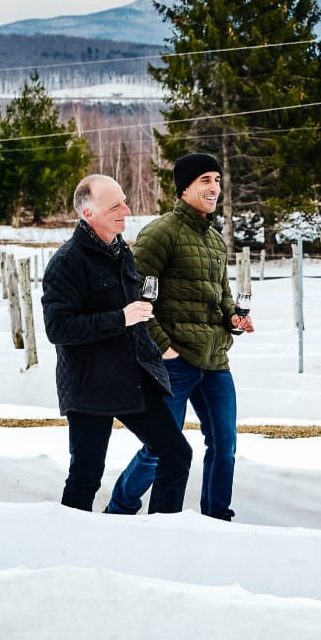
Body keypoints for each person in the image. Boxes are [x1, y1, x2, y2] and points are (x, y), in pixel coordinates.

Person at [106, 152, 253, 520]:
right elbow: (135, 295)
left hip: (215, 361)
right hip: (175, 362)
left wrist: (233, 319)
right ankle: (120, 507)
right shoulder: (160, 232)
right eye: (205, 180)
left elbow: (220, 298)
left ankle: (216, 517)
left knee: (225, 446)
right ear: (184, 187)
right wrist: (163, 347)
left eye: (217, 181)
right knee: (159, 447)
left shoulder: (215, 240)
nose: (214, 188)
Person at [42, 173, 193, 513]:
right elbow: (58, 328)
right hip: (90, 384)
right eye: (115, 206)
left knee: (176, 455)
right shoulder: (66, 263)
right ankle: (67, 549)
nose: (127, 209)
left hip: (133, 378)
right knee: (86, 476)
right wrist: (120, 318)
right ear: (88, 215)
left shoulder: (122, 250)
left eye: (124, 200)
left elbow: (132, 313)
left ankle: (160, 531)